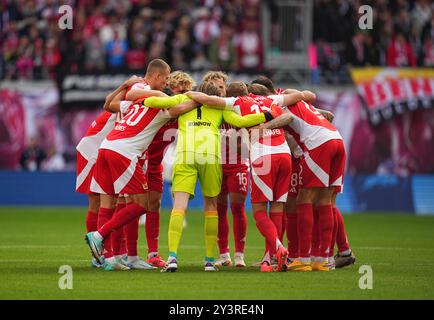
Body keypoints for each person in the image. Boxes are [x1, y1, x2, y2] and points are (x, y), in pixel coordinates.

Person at [144, 81, 280, 272]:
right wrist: (269, 114)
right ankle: (209, 261)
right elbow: (242, 122)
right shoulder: (218, 107)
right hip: (210, 156)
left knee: (179, 205)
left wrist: (146, 99)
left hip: (186, 155)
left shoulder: (184, 98)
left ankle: (172, 257)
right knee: (211, 205)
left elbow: (152, 102)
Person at [84, 59, 198, 271]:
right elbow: (181, 107)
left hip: (107, 147)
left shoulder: (139, 97)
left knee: (113, 202)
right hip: (125, 152)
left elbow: (121, 100)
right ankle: (98, 236)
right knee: (138, 205)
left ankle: (110, 259)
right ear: (156, 76)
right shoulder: (158, 103)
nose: (166, 83)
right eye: (165, 78)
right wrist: (198, 99)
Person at [185, 82, 311, 272]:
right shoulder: (269, 99)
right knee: (277, 207)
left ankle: (276, 251)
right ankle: (270, 260)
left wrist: (187, 92)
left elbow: (207, 99)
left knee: (259, 211)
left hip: (262, 157)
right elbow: (302, 95)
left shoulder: (235, 102)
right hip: (284, 155)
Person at [76, 75, 142, 268]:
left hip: (107, 151)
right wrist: (124, 85)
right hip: (91, 152)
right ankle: (100, 256)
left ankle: (115, 252)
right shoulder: (126, 104)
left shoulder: (131, 102)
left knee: (115, 201)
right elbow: (109, 101)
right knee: (97, 201)